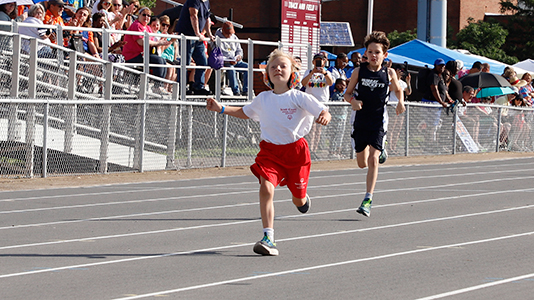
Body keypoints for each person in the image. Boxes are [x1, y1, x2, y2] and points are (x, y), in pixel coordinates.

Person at [205, 49, 331, 256]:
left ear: (292, 72)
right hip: (270, 152)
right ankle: (268, 237)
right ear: (267, 74)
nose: (277, 69)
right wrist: (221, 108)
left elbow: (323, 110)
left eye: (283, 66)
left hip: (296, 153)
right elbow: (245, 112)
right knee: (266, 187)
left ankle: (302, 198)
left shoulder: (299, 97)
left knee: (298, 200)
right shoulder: (263, 98)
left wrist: (325, 116)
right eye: (273, 67)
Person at [343, 31, 405, 218]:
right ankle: (378, 151)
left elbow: (398, 89)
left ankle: (368, 199)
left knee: (373, 160)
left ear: (384, 55)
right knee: (362, 163)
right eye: (370, 52)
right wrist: (352, 101)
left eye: (377, 52)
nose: (373, 55)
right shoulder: (358, 71)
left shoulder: (389, 72)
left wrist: (400, 101)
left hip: (379, 121)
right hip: (361, 121)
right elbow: (347, 93)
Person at [123, 7, 171, 93]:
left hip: (143, 54)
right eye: (144, 14)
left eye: (148, 15)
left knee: (162, 61)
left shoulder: (148, 28)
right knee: (158, 61)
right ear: (139, 15)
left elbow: (153, 41)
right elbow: (142, 42)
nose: (146, 17)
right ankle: (157, 86)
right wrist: (158, 43)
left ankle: (159, 85)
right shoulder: (136, 25)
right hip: (132, 55)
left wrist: (162, 41)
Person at [174, 0, 215, 95]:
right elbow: (193, 15)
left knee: (203, 61)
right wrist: (197, 33)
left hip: (197, 37)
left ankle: (199, 86)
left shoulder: (206, 2)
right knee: (185, 62)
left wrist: (209, 34)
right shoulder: (194, 0)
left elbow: (207, 18)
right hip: (187, 35)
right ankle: (181, 87)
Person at [301, 52, 334, 159]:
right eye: (317, 60)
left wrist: (324, 73)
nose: (319, 62)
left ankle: (314, 149)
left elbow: (330, 82)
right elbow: (303, 83)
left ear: (325, 62)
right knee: (311, 128)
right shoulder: (308, 72)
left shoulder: (327, 72)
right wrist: (312, 73)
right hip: (310, 103)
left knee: (318, 129)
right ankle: (308, 149)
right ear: (313, 62)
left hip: (322, 102)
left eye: (321, 60)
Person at [421, 58, 452, 144]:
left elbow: (443, 90)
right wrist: (441, 102)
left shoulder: (440, 75)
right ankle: (429, 142)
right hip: (431, 103)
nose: (441, 67)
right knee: (431, 125)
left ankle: (431, 142)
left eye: (443, 65)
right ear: (435, 66)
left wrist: (449, 100)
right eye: (439, 65)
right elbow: (434, 89)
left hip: (436, 105)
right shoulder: (433, 75)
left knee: (434, 125)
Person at [215, 21, 248, 96]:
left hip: (235, 60)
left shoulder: (234, 37)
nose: (230, 35)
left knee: (248, 67)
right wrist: (228, 60)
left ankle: (246, 90)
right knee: (231, 69)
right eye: (228, 33)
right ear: (223, 31)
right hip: (225, 62)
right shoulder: (217, 39)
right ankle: (236, 91)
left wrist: (239, 56)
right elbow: (217, 54)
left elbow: (239, 50)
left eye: (231, 33)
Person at [388, 65, 412, 154]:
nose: (401, 72)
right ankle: (389, 147)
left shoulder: (403, 83)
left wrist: (408, 82)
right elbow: (391, 88)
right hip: (392, 106)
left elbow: (408, 92)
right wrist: (395, 78)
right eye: (400, 70)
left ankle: (394, 147)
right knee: (391, 128)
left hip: (400, 107)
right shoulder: (392, 82)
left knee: (398, 129)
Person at [328, 78, 348, 158]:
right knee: (335, 135)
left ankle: (337, 151)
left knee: (340, 135)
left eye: (345, 85)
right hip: (337, 118)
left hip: (343, 117)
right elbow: (338, 103)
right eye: (342, 85)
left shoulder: (343, 94)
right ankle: (332, 151)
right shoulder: (336, 95)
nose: (344, 87)